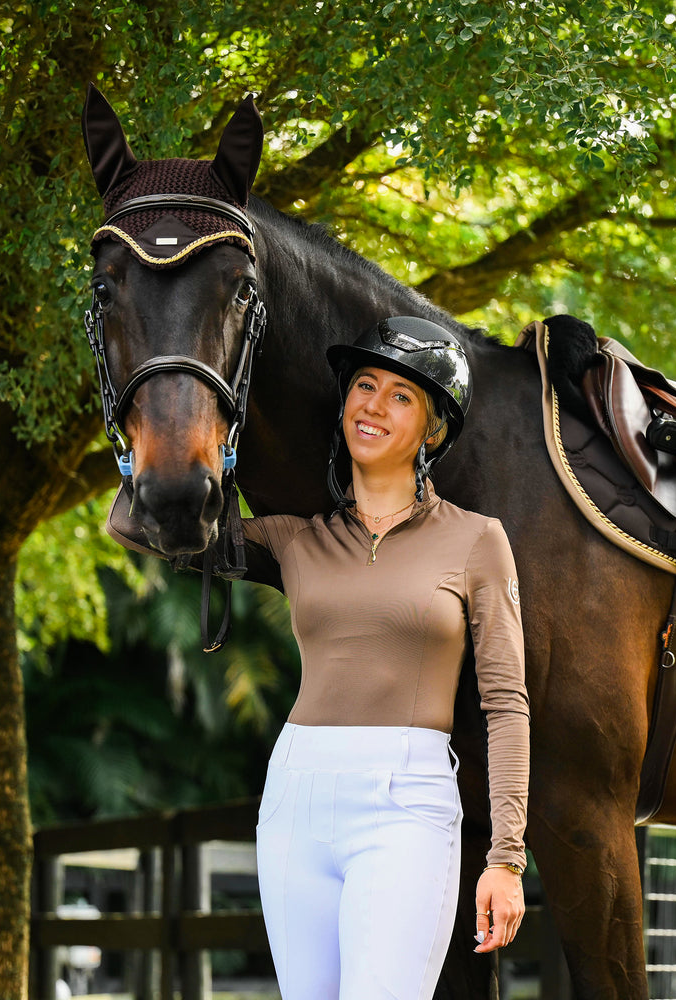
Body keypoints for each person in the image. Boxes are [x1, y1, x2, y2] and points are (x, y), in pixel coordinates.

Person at [239, 315, 530, 1000]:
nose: (372, 404)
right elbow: (140, 525)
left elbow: (506, 704)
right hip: (296, 795)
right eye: (364, 385)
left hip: (407, 803)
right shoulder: (296, 539)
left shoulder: (477, 541)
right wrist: (168, 437)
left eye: (402, 395)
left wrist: (507, 858)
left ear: (433, 431)